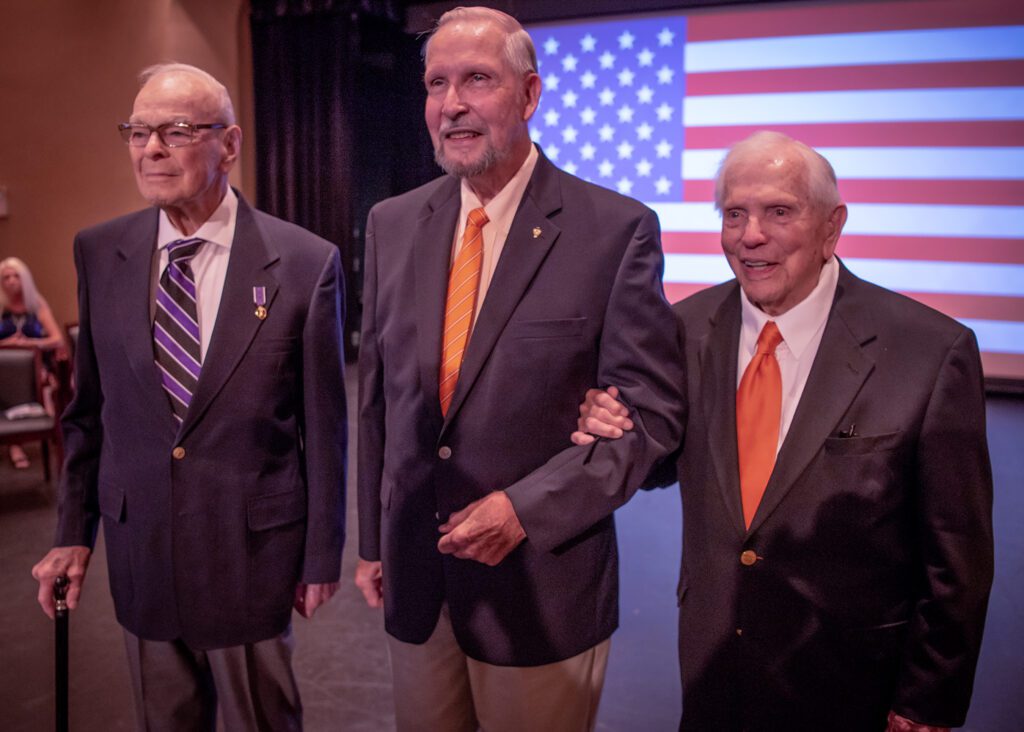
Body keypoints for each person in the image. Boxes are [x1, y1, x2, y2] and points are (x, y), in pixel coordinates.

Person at [574, 131, 994, 731]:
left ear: (832, 227)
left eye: (779, 212)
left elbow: (957, 557)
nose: (751, 235)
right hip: (715, 671)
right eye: (735, 214)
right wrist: (612, 424)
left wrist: (928, 699)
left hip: (852, 687)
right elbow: (662, 461)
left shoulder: (930, 350)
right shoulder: (682, 330)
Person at [355, 7, 684, 731]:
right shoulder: (392, 224)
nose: (453, 104)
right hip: (417, 584)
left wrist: (524, 511)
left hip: (541, 588)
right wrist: (373, 540)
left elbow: (650, 420)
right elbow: (379, 399)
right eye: (437, 83)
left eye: (478, 79)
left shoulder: (615, 231)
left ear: (530, 96)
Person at [30, 63, 347, 731]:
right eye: (138, 131)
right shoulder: (100, 251)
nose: (151, 148)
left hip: (250, 555)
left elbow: (323, 428)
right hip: (139, 547)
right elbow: (90, 415)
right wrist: (72, 536)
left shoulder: (303, 262)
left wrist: (320, 556)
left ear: (229, 144)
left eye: (175, 131)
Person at [0, 256, 68, 469]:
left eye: (15, 276)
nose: (11, 281)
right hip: (4, 370)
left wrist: (31, 343)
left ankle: (55, 434)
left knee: (47, 382)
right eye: (6, 277)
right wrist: (7, 344)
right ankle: (15, 445)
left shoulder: (35, 304)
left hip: (38, 366)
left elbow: (57, 339)